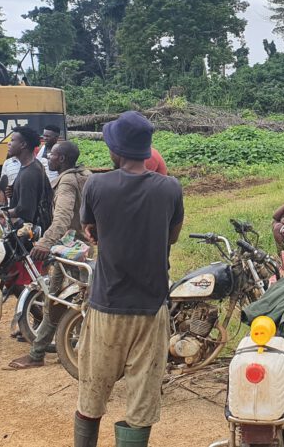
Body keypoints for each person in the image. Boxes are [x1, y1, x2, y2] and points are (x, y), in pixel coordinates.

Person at [74, 112, 183, 447]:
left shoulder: (96, 185)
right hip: (151, 308)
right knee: (141, 402)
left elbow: (89, 229)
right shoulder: (169, 188)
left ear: (116, 151)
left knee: (91, 394)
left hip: (107, 305)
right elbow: (173, 236)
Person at [8, 141, 91, 370]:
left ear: (62, 159)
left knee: (63, 301)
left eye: (52, 155)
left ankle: (47, 354)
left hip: (71, 251)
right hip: (86, 249)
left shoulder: (67, 182)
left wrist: (45, 243)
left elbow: (63, 218)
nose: (49, 158)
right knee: (66, 299)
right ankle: (40, 352)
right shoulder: (86, 175)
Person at [0, 127, 52, 227]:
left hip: (29, 234)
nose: (9, 143)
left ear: (23, 145)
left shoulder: (30, 173)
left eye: (13, 140)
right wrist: (15, 192)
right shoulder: (31, 165)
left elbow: (24, 210)